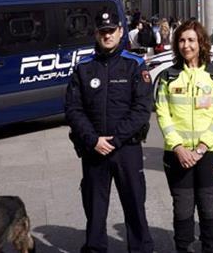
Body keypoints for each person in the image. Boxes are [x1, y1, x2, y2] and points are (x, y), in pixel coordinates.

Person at [64, 17, 154, 253]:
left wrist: (115, 140)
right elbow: (73, 109)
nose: (107, 35)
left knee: (135, 206)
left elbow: (142, 109)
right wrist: (93, 140)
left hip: (126, 149)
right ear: (96, 33)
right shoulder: (84, 67)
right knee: (94, 210)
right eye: (103, 31)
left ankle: (141, 249)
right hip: (94, 150)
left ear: (120, 31)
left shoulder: (134, 64)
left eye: (111, 31)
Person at [155, 21, 213, 253]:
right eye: (181, 40)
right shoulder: (168, 77)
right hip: (177, 154)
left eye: (191, 40)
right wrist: (178, 147)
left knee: (208, 208)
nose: (186, 45)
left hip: (210, 153)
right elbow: (162, 112)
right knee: (183, 209)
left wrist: (200, 147)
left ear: (201, 43)